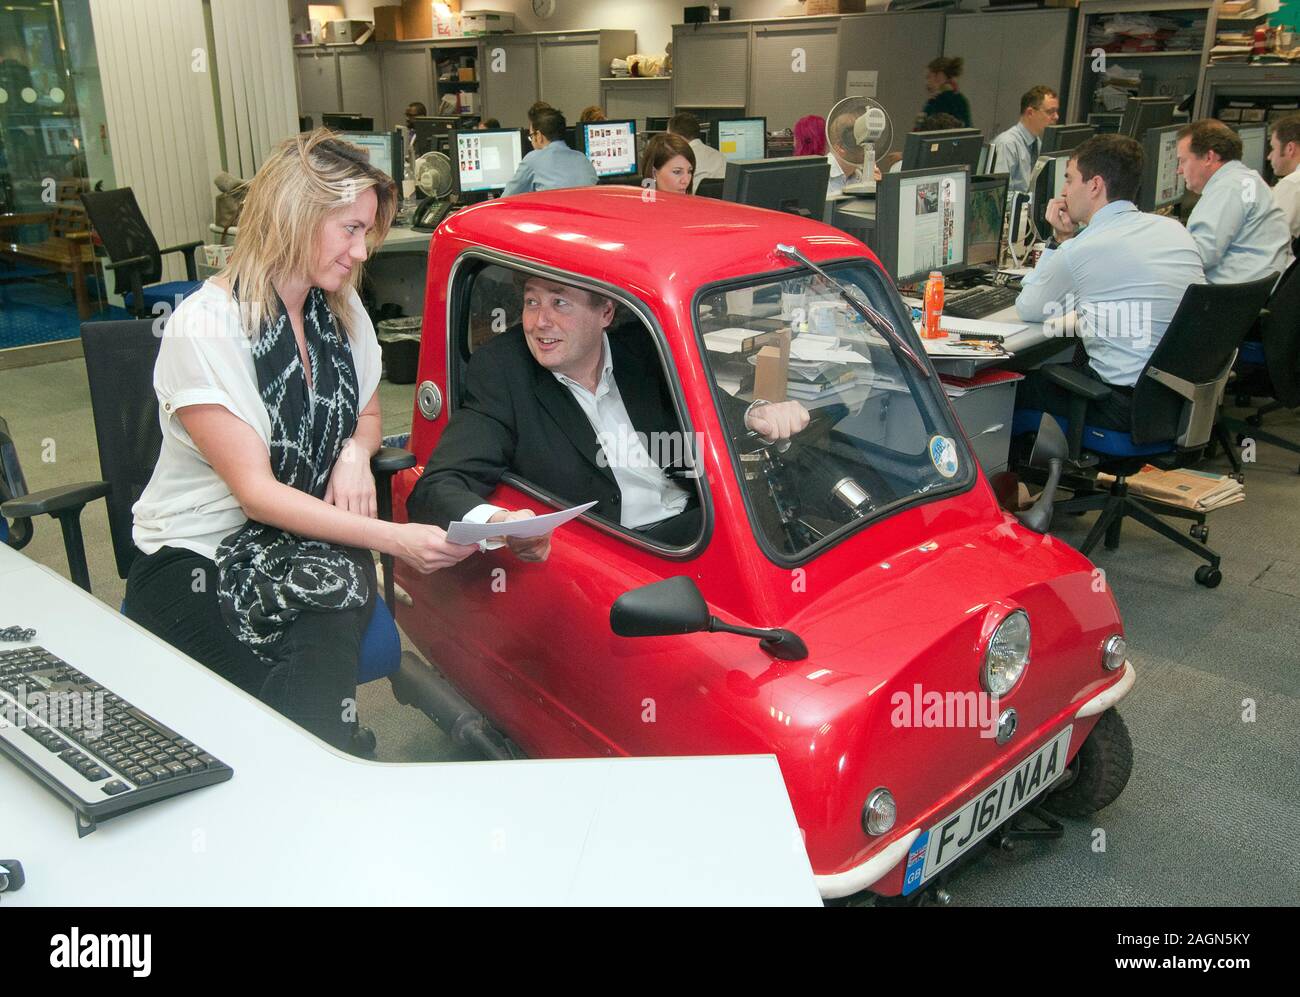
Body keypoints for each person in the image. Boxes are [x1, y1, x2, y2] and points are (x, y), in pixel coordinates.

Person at [124, 130, 477, 750]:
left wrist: (353, 454)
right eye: (350, 229)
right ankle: (328, 767)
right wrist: (395, 539)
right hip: (197, 554)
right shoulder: (206, 328)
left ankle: (324, 770)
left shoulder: (338, 310)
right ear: (296, 213)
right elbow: (257, 496)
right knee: (275, 713)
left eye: (366, 232)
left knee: (326, 624)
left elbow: (367, 414)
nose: (362, 252)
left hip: (304, 539)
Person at [406, 277, 810, 552]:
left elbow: (705, 406)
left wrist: (758, 412)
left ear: (605, 314)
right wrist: (497, 522)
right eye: (532, 302)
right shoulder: (504, 372)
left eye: (559, 302)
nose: (539, 321)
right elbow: (436, 487)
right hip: (626, 550)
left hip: (701, 521)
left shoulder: (644, 348)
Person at [1014, 134, 1206, 430]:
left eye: (1069, 180)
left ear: (1094, 186)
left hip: (1118, 405)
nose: (1064, 192)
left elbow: (1030, 308)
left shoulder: (1083, 248)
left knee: (1010, 390)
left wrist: (1057, 243)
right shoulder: (1174, 230)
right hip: (1175, 400)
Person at [1177, 119, 1292, 284]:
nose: (1179, 170)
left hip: (1234, 296)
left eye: (1183, 160)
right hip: (1258, 288)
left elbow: (1199, 257)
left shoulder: (1228, 189)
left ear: (1209, 157)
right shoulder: (1247, 180)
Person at [501, 107, 597, 196]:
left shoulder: (533, 159)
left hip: (556, 214)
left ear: (539, 136)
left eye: (531, 136)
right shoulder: (582, 158)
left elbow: (505, 199)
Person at [990, 86, 1060, 193]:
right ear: (1030, 113)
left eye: (1056, 111)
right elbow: (999, 193)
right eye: (1050, 112)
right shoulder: (1007, 144)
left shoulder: (1037, 142)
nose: (1056, 117)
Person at [825, 107, 885, 195]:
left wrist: (878, 190)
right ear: (841, 147)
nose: (866, 148)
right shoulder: (818, 176)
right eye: (859, 143)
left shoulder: (859, 176)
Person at [666, 112, 726, 192]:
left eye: (669, 136)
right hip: (721, 203)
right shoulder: (720, 156)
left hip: (690, 202)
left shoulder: (680, 160)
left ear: (677, 138)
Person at [1266, 112, 1300, 241]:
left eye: (1273, 148)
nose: (1269, 157)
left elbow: (1267, 239)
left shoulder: (1292, 184)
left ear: (1290, 148)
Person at [922, 56, 971, 128]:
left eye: (929, 77)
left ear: (940, 76)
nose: (927, 83)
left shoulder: (938, 102)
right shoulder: (961, 100)